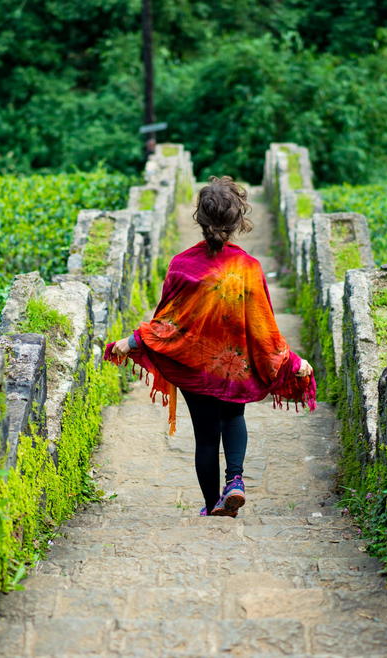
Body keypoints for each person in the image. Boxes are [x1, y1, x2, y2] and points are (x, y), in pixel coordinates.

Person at [105, 176, 316, 518]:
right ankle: (235, 481)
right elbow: (264, 329)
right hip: (234, 367)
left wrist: (131, 342)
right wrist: (291, 361)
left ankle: (212, 505)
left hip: (195, 367)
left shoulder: (181, 265)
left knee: (205, 436)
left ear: (200, 219)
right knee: (234, 414)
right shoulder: (249, 268)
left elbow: (168, 324)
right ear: (238, 221)